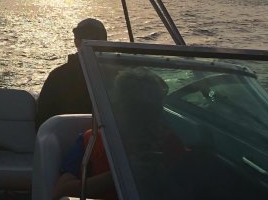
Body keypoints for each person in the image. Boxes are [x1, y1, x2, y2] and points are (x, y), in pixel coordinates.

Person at [52, 67, 186, 200]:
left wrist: (164, 176)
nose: (145, 117)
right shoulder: (91, 142)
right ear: (117, 108)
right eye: (137, 108)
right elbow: (61, 192)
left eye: (152, 109)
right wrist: (123, 174)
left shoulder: (170, 143)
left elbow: (191, 187)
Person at [35, 18, 107, 130]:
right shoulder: (115, 76)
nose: (90, 41)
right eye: (86, 36)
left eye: (95, 37)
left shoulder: (57, 76)